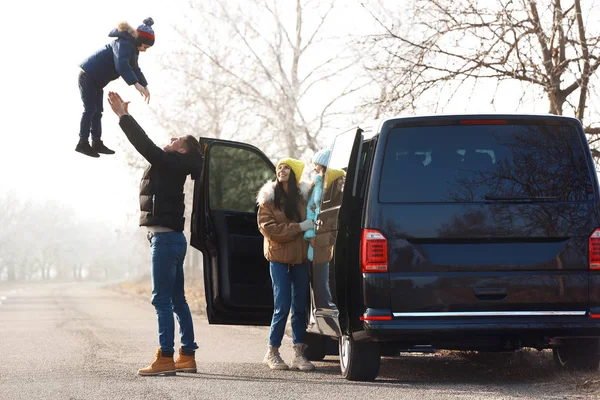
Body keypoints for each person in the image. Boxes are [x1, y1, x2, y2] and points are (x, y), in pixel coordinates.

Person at [107, 91, 204, 376]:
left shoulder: (171, 163)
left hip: (164, 240)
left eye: (177, 140)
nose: (171, 139)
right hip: (172, 239)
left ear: (183, 151)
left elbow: (145, 146)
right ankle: (187, 355)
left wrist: (123, 117)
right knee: (177, 300)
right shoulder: (174, 165)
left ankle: (165, 357)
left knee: (161, 300)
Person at [256, 158, 315, 371]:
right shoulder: (268, 200)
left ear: (296, 173)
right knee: (282, 306)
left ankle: (299, 354)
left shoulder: (304, 199)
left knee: (300, 308)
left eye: (287, 167)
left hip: (300, 260)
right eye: (280, 167)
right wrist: (299, 227)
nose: (282, 170)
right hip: (279, 260)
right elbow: (270, 230)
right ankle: (272, 352)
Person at [76, 18, 155, 158]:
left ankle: (96, 142)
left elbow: (135, 68)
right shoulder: (123, 44)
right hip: (88, 76)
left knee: (98, 111)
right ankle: (82, 142)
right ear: (139, 41)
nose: (144, 50)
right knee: (90, 109)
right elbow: (122, 65)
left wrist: (145, 85)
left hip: (96, 81)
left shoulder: (131, 49)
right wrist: (135, 84)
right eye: (145, 47)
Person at [304, 149, 345, 311]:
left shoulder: (337, 183)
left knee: (323, 275)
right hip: (314, 235)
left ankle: (327, 306)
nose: (315, 168)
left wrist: (319, 236)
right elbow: (310, 210)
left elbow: (333, 214)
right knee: (316, 276)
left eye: (317, 165)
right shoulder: (316, 184)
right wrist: (310, 234)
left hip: (325, 236)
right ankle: (320, 307)